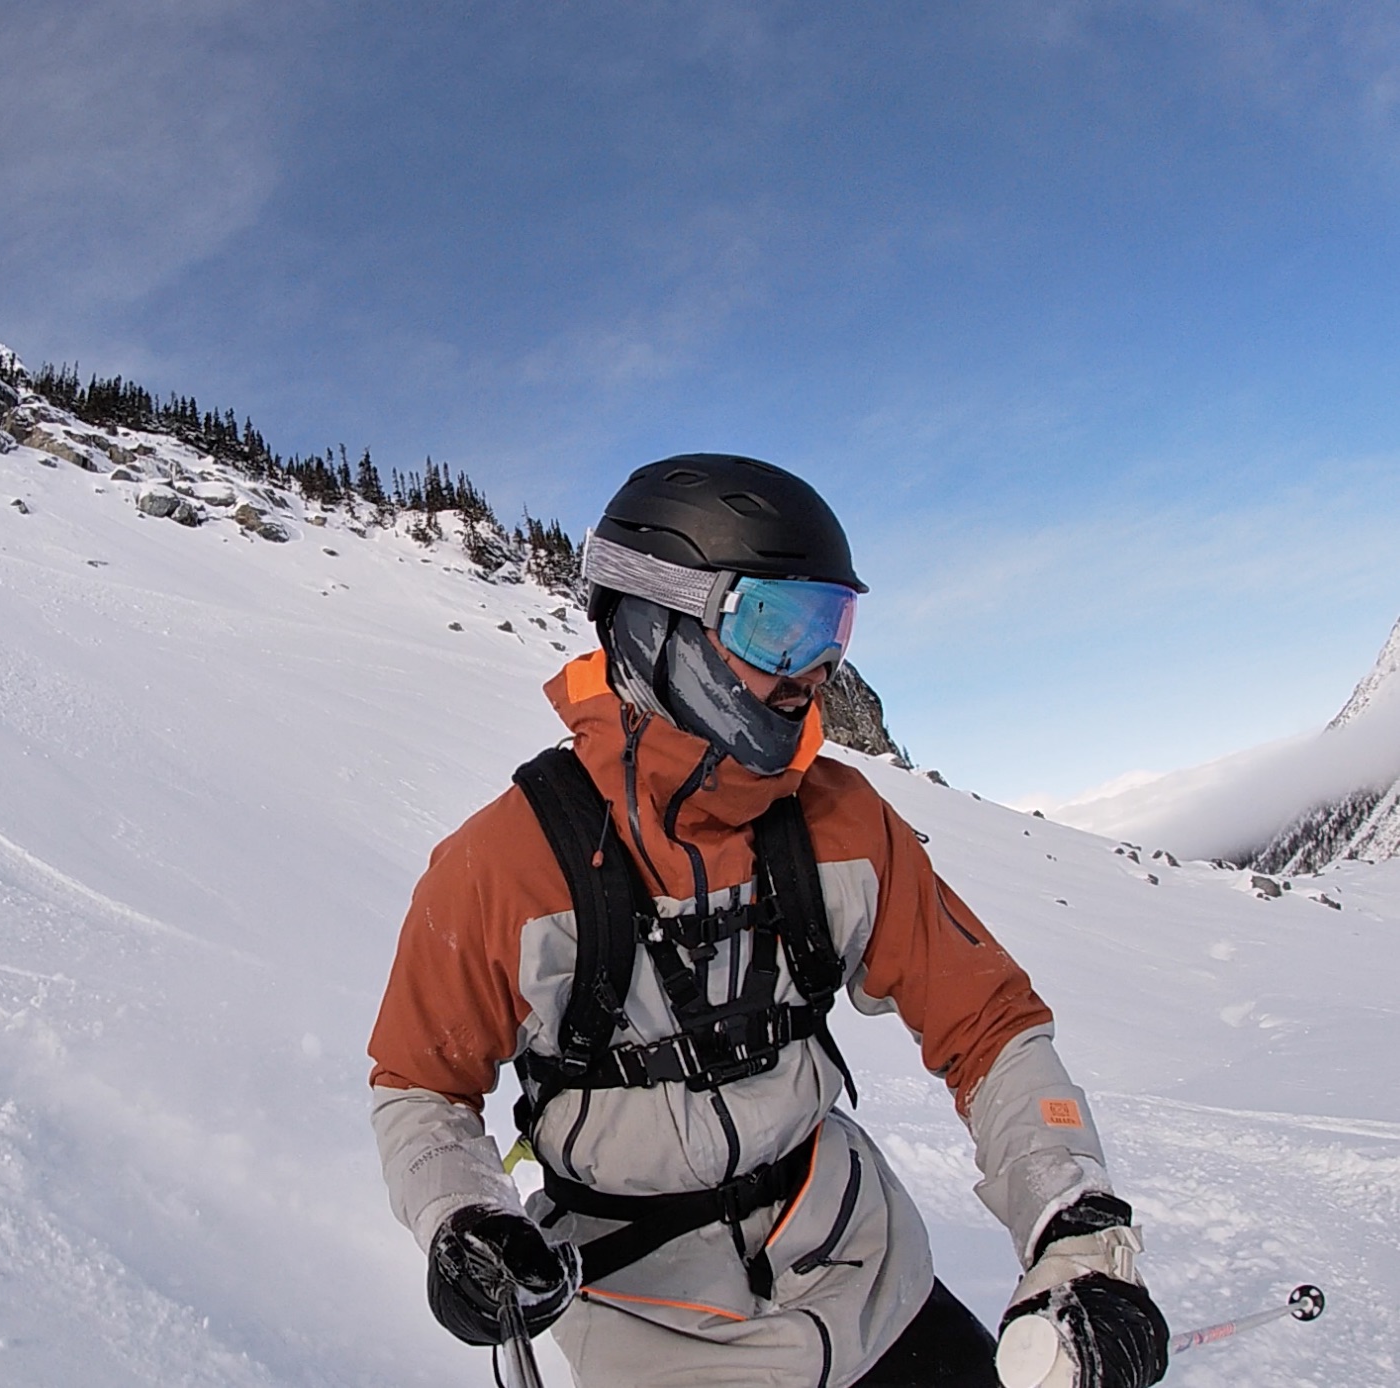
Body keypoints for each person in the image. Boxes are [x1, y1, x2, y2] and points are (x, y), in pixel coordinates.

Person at [368, 454, 1169, 1388]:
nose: (818, 669)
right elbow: (420, 1089)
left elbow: (990, 1027)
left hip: (868, 1274)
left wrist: (1074, 1220)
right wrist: (461, 1217)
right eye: (778, 625)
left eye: (832, 627)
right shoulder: (502, 865)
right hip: (651, 1322)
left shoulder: (844, 822)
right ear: (655, 626)